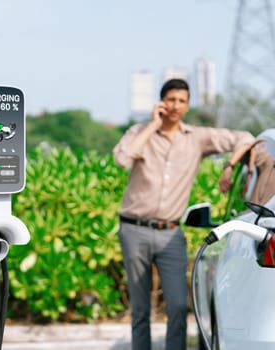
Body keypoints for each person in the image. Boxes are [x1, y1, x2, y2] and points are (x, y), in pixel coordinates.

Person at [112, 78, 255, 350]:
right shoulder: (139, 131)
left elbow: (245, 138)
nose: (176, 105)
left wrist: (229, 165)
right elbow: (123, 158)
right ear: (161, 102)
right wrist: (153, 125)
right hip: (134, 230)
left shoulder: (198, 138)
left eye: (182, 101)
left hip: (171, 234)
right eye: (171, 99)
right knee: (141, 308)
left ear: (188, 105)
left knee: (178, 306)